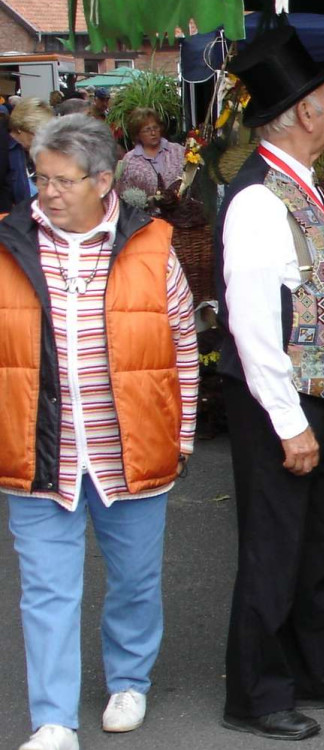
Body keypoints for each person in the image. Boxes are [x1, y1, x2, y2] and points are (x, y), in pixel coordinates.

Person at [0, 114, 197, 750]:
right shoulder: (8, 245)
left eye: (61, 180)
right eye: (40, 178)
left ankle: (129, 680)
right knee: (46, 591)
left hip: (131, 448)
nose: (46, 192)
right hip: (37, 452)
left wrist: (183, 435)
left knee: (135, 579)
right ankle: (53, 719)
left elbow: (183, 348)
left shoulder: (153, 246)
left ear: (104, 181)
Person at [214, 26, 324, 742]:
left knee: (319, 547)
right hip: (280, 401)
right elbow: (254, 323)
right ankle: (255, 693)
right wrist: (289, 420)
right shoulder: (259, 199)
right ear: (303, 111)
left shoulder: (305, 185)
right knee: (275, 550)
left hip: (323, 397)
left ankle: (320, 669)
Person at [115, 108, 186, 203]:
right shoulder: (130, 160)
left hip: (182, 211)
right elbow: (123, 194)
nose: (153, 133)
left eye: (155, 128)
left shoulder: (177, 150)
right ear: (137, 134)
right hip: (149, 214)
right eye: (147, 130)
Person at [9, 99, 54, 202]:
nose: (41, 141)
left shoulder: (31, 151)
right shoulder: (9, 153)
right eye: (37, 134)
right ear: (20, 128)